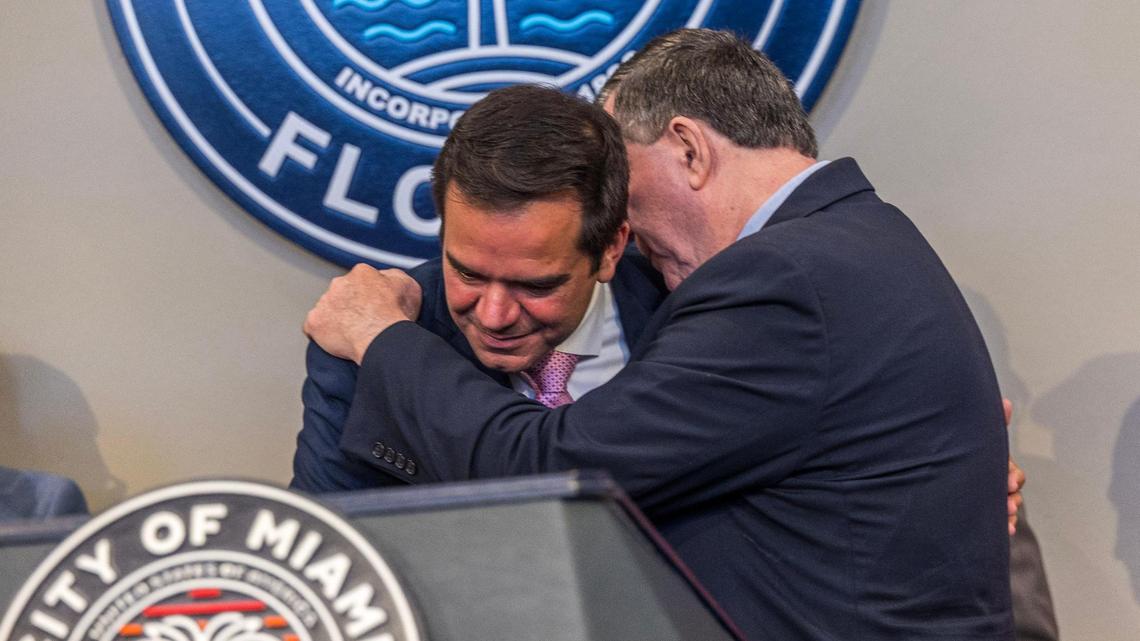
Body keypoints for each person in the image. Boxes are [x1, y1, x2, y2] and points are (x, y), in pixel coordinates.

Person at [304, 29, 1014, 639]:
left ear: (689, 150)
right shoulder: (866, 238)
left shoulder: (779, 279)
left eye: (629, 187)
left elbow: (550, 470)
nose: (632, 220)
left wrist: (383, 338)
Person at [291, 84, 666, 492]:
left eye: (535, 285)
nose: (494, 316)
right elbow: (326, 534)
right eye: (468, 274)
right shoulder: (362, 339)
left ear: (610, 248)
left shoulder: (683, 310)